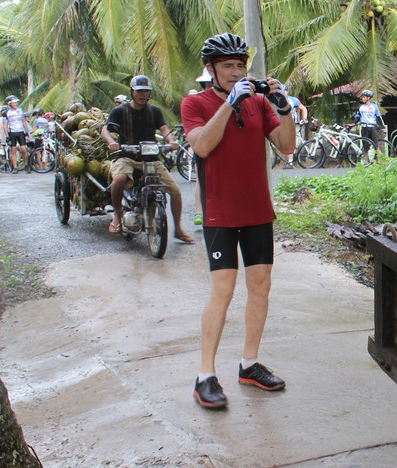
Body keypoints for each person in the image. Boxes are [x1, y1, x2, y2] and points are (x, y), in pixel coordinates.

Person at [181, 32, 296, 409]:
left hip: (257, 210)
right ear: (211, 69)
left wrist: (283, 107)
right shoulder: (194, 103)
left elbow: (287, 145)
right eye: (227, 66)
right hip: (220, 213)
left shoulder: (259, 102)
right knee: (224, 290)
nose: (235, 72)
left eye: (240, 66)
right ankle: (205, 376)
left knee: (260, 286)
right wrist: (229, 104)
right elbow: (201, 144)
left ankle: (249, 364)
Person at [100, 75, 196, 243]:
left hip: (151, 158)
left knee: (175, 191)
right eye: (139, 91)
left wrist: (171, 142)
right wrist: (112, 142)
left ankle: (179, 228)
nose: (143, 95)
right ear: (132, 92)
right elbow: (105, 130)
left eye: (146, 91)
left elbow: (165, 130)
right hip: (127, 157)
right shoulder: (120, 111)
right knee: (118, 181)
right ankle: (117, 214)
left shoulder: (154, 111)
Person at [191, 69, 214, 225]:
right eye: (207, 85)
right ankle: (199, 211)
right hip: (204, 146)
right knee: (201, 178)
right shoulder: (197, 103)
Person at [274, 84, 309, 168]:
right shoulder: (275, 99)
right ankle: (287, 161)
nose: (283, 92)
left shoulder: (293, 100)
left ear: (287, 91)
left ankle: (289, 162)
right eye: (281, 91)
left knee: (290, 142)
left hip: (293, 124)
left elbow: (303, 108)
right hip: (280, 124)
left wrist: (304, 118)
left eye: (285, 90)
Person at [351, 89, 384, 161]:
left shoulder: (374, 106)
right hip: (364, 127)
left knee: (375, 144)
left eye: (364, 97)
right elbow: (358, 116)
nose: (362, 98)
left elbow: (378, 116)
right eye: (362, 97)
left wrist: (382, 125)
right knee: (365, 145)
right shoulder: (361, 107)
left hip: (372, 127)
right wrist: (353, 124)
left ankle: (378, 160)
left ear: (368, 98)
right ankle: (367, 160)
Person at [2, 96, 31, 173]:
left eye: (16, 102)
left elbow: (24, 121)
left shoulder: (20, 110)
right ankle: (15, 167)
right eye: (14, 102)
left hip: (20, 131)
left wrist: (26, 132)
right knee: (13, 150)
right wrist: (6, 136)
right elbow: (5, 125)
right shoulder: (6, 113)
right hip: (12, 132)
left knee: (23, 149)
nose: (16, 104)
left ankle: (26, 165)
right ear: (10, 103)